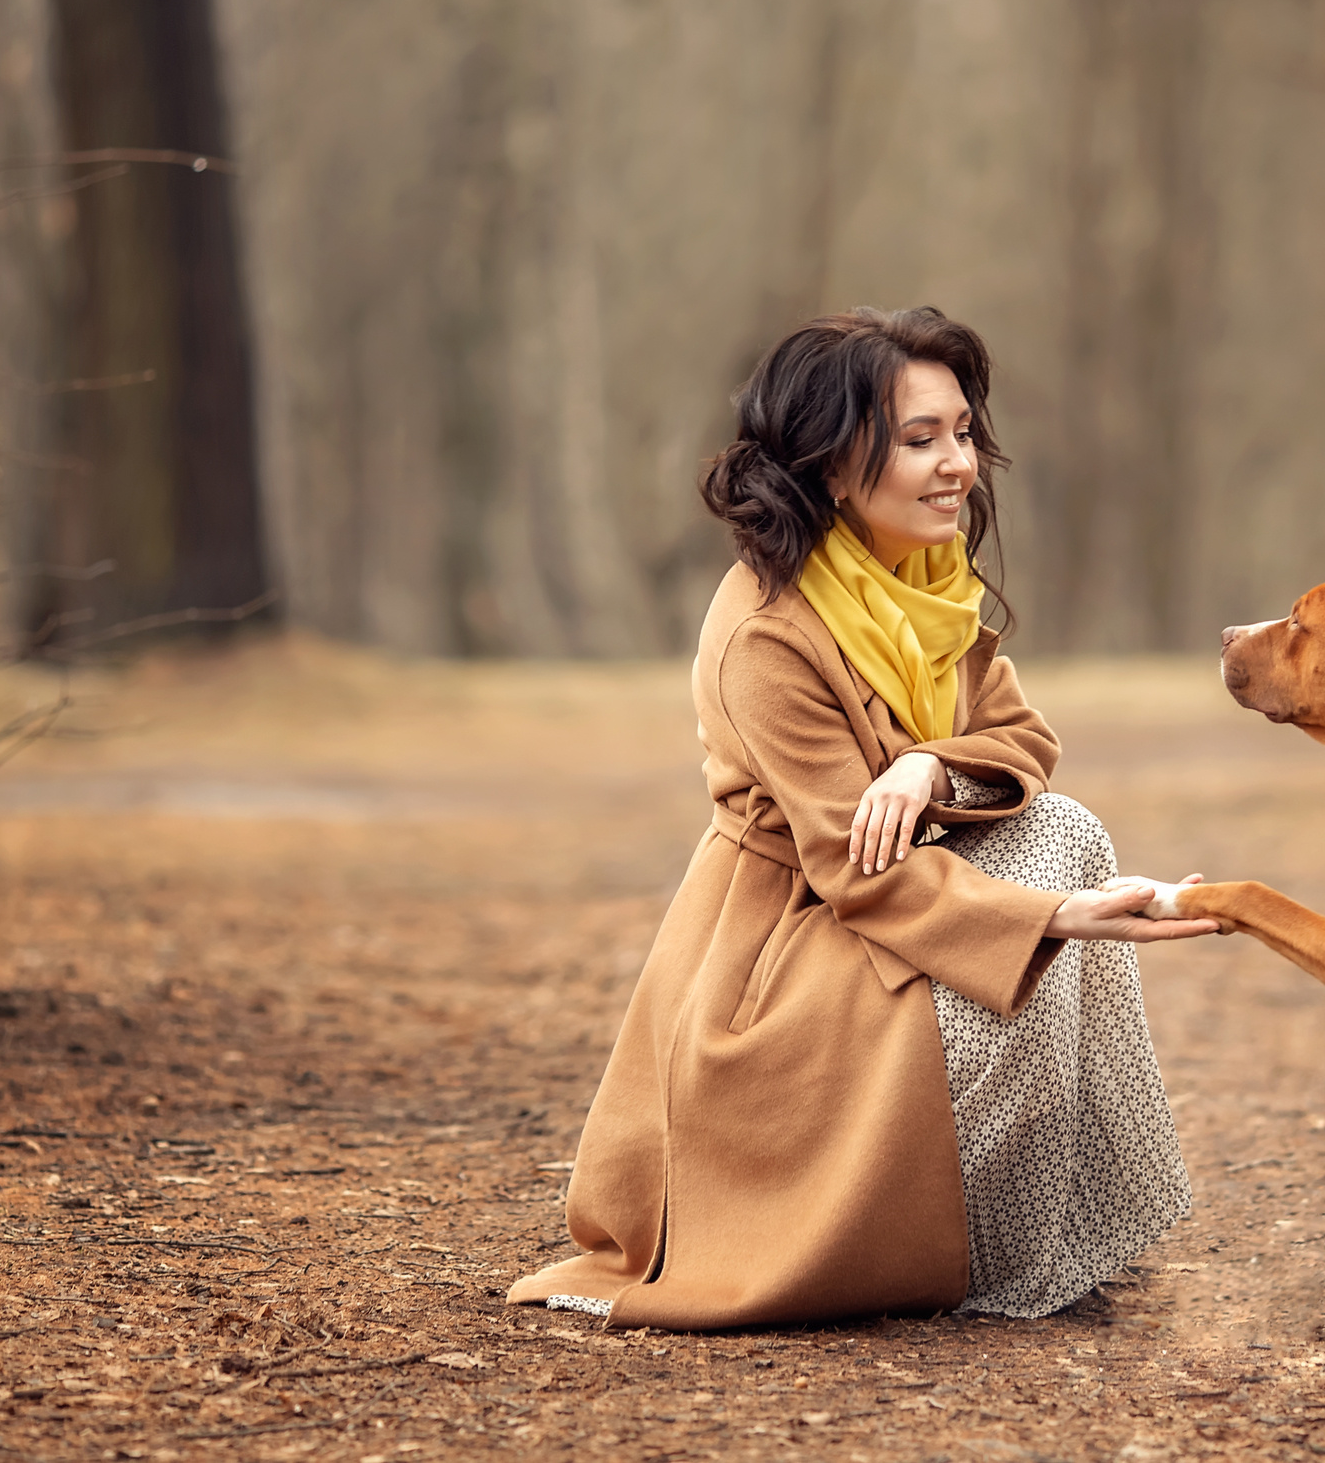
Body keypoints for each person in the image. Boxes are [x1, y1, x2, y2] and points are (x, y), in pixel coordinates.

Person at [506, 306, 1219, 1329]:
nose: (956, 466)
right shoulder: (768, 632)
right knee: (1057, 865)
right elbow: (858, 872)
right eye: (920, 440)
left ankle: (1057, 1228)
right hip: (781, 960)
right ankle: (964, 1246)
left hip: (894, 911)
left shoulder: (925, 586)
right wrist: (1057, 919)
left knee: (1065, 828)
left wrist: (928, 768)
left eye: (962, 433)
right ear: (835, 467)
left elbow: (1023, 741)